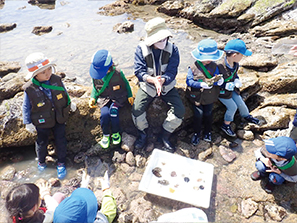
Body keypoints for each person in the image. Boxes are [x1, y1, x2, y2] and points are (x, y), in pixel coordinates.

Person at [132, 17, 185, 153]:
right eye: (159, 40)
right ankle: (143, 134)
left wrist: (163, 80)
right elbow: (139, 71)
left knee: (179, 110)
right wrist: (152, 80)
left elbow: (172, 71)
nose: (163, 42)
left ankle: (165, 135)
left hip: (167, 86)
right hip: (148, 86)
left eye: (165, 39)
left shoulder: (174, 50)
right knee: (137, 110)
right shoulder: (141, 49)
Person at [23, 52, 76, 179]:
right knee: (41, 142)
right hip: (41, 120)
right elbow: (26, 106)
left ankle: (61, 162)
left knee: (61, 140)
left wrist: (70, 103)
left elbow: (64, 93)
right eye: (43, 72)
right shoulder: (30, 88)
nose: (47, 73)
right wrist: (27, 122)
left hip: (59, 116)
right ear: (35, 75)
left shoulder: (56, 80)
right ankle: (41, 161)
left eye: (49, 69)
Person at [88, 49, 134, 149]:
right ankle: (105, 135)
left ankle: (116, 133)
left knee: (113, 112)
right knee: (104, 115)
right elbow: (95, 88)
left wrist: (130, 95)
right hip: (104, 99)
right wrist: (93, 98)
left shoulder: (118, 73)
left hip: (118, 98)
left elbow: (126, 84)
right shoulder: (96, 76)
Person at [218, 39, 260, 137]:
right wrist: (224, 85)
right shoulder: (219, 66)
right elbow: (215, 81)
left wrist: (236, 80)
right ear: (234, 55)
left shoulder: (235, 64)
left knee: (240, 103)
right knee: (232, 107)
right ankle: (225, 125)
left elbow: (234, 75)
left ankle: (246, 116)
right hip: (221, 92)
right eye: (242, 55)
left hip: (231, 89)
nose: (243, 57)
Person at [186, 39, 224, 145]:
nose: (208, 61)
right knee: (199, 114)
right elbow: (189, 81)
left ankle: (208, 132)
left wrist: (219, 81)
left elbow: (216, 78)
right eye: (206, 58)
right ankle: (196, 133)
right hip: (196, 96)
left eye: (210, 59)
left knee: (208, 113)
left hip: (210, 96)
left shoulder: (214, 66)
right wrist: (200, 84)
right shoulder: (193, 67)